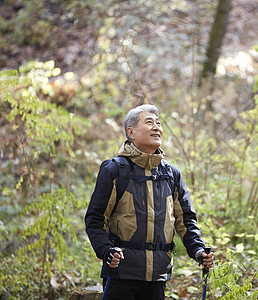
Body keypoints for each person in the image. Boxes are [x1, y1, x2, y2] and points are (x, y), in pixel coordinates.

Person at [85, 104, 214, 300]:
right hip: (121, 273)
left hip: (158, 275)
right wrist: (106, 250)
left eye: (159, 123)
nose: (156, 127)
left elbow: (186, 220)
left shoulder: (171, 174)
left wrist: (198, 250)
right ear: (132, 132)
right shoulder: (114, 170)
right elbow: (95, 220)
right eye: (149, 122)